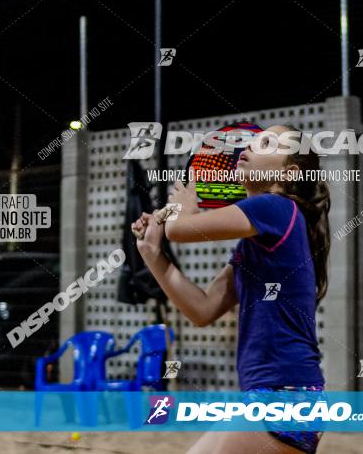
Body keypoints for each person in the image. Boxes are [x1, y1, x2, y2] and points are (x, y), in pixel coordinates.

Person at [132, 125, 331, 453]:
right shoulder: (257, 241)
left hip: (284, 394)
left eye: (267, 143)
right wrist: (153, 255)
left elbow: (180, 230)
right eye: (253, 140)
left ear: (288, 173)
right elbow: (203, 308)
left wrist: (183, 203)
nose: (250, 146)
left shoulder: (275, 207)